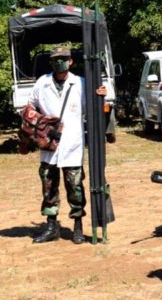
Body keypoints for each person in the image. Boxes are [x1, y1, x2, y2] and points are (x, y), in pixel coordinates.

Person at [27, 46, 107, 245]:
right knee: (49, 186)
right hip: (49, 144)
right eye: (56, 59)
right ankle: (51, 226)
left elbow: (96, 108)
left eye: (63, 59)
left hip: (72, 143)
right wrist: (40, 123)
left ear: (71, 61)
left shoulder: (81, 83)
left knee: (75, 187)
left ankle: (78, 227)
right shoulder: (42, 83)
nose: (59, 62)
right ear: (51, 62)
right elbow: (30, 107)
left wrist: (101, 94)